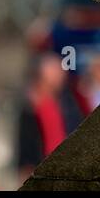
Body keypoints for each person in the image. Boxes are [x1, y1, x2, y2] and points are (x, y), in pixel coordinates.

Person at [16, 53, 85, 182]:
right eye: (55, 72)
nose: (60, 76)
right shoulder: (30, 107)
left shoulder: (67, 102)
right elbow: (25, 147)